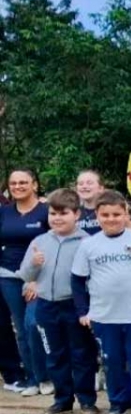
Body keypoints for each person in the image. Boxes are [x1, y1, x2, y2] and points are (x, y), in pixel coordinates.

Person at [71, 190, 131, 414]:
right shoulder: (88, 244)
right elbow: (77, 280)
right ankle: (117, 403)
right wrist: (83, 311)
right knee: (111, 361)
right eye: (105, 215)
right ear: (97, 216)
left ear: (125, 213)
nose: (111, 219)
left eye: (116, 214)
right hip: (104, 316)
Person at [19, 189, 95, 414]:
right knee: (54, 354)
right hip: (46, 306)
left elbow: (93, 277)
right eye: (53, 213)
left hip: (75, 305)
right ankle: (62, 399)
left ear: (76, 214)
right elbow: (25, 275)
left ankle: (87, 400)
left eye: (64, 213)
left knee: (81, 354)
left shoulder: (87, 242)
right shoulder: (40, 241)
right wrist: (33, 264)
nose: (58, 218)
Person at [0, 168, 50, 395]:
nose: (18, 186)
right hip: (8, 276)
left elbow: (55, 243)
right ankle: (32, 379)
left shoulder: (46, 211)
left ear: (34, 184)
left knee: (35, 326)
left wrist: (38, 281)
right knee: (21, 329)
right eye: (13, 183)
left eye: (23, 182)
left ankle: (48, 377)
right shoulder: (4, 212)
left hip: (38, 279)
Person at [75, 170, 104, 235]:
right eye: (80, 184)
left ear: (100, 188)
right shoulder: (72, 212)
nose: (84, 187)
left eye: (89, 183)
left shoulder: (109, 211)